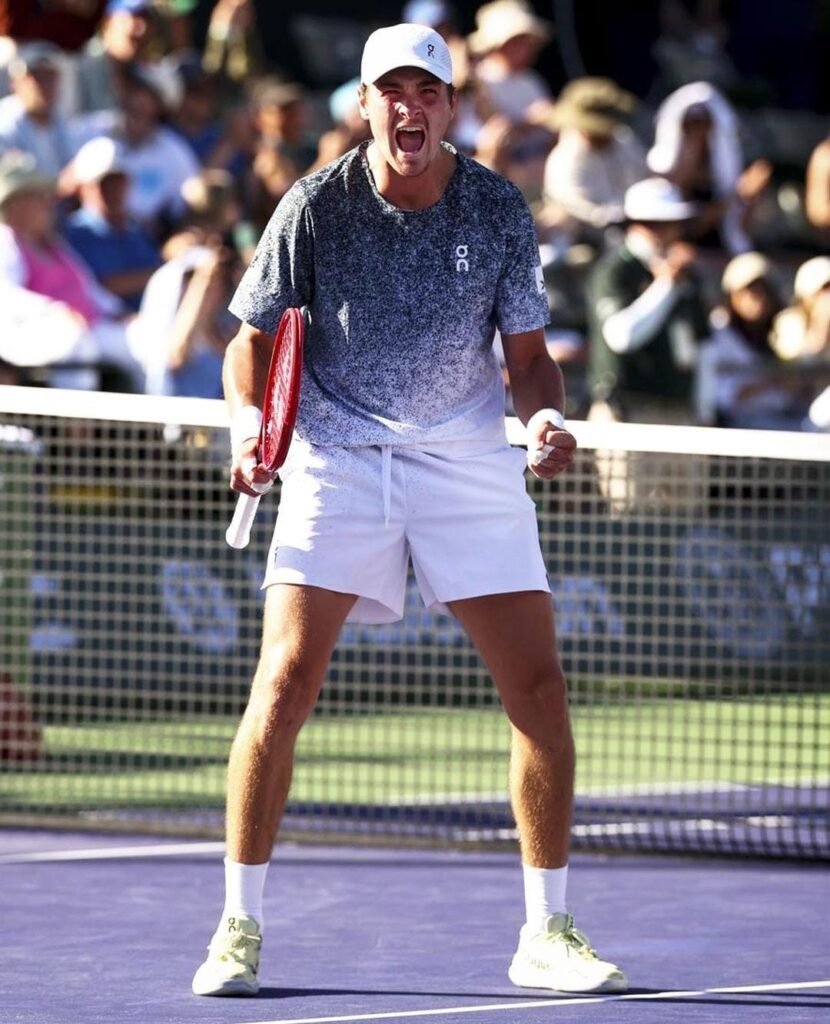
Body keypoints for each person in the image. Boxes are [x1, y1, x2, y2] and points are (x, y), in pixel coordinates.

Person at [191, 22, 627, 1000]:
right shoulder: (313, 207)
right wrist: (247, 435)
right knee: (284, 684)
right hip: (339, 458)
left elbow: (525, 358)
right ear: (364, 106)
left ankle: (544, 931)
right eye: (390, 90)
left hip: (467, 457)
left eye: (425, 90)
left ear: (448, 106)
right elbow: (248, 345)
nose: (408, 107)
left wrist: (546, 416)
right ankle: (235, 929)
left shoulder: (496, 208)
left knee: (539, 688)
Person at [586, 176, 709, 513]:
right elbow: (621, 336)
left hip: (678, 412)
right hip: (627, 412)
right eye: (656, 224)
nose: (665, 233)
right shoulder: (616, 270)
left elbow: (701, 342)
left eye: (671, 224)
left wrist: (702, 410)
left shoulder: (689, 276)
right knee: (630, 515)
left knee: (684, 512)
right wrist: (666, 284)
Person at [0, 150, 143, 391]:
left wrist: (119, 312)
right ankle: (77, 427)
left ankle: (153, 424)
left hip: (88, 326)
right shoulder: (5, 242)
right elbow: (6, 295)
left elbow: (89, 289)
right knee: (76, 341)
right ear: (18, 204)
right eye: (39, 198)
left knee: (143, 337)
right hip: (30, 333)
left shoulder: (55, 245)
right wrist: (57, 311)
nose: (48, 205)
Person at [646, 81, 772, 256]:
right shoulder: (660, 173)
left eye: (704, 124)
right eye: (691, 125)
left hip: (720, 253)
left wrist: (747, 198)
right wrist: (738, 197)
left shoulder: (728, 166)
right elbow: (686, 228)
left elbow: (739, 228)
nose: (698, 132)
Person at [695, 251, 808, 429]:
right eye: (748, 290)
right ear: (731, 295)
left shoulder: (780, 332)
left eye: (764, 290)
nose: (757, 297)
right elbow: (722, 396)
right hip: (735, 427)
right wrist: (771, 383)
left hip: (782, 420)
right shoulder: (717, 332)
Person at [541, 77, 647, 249]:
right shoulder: (565, 162)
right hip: (595, 239)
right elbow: (591, 215)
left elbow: (644, 175)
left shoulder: (623, 138)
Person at [62, 135, 162, 312]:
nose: (112, 190)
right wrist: (161, 276)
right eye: (103, 183)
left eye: (118, 181)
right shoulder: (76, 233)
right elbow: (101, 286)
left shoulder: (136, 230)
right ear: (83, 188)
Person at [0, 41, 75, 177]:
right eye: (36, 77)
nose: (43, 85)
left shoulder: (60, 118)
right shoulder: (5, 122)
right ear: (15, 83)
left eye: (49, 77)